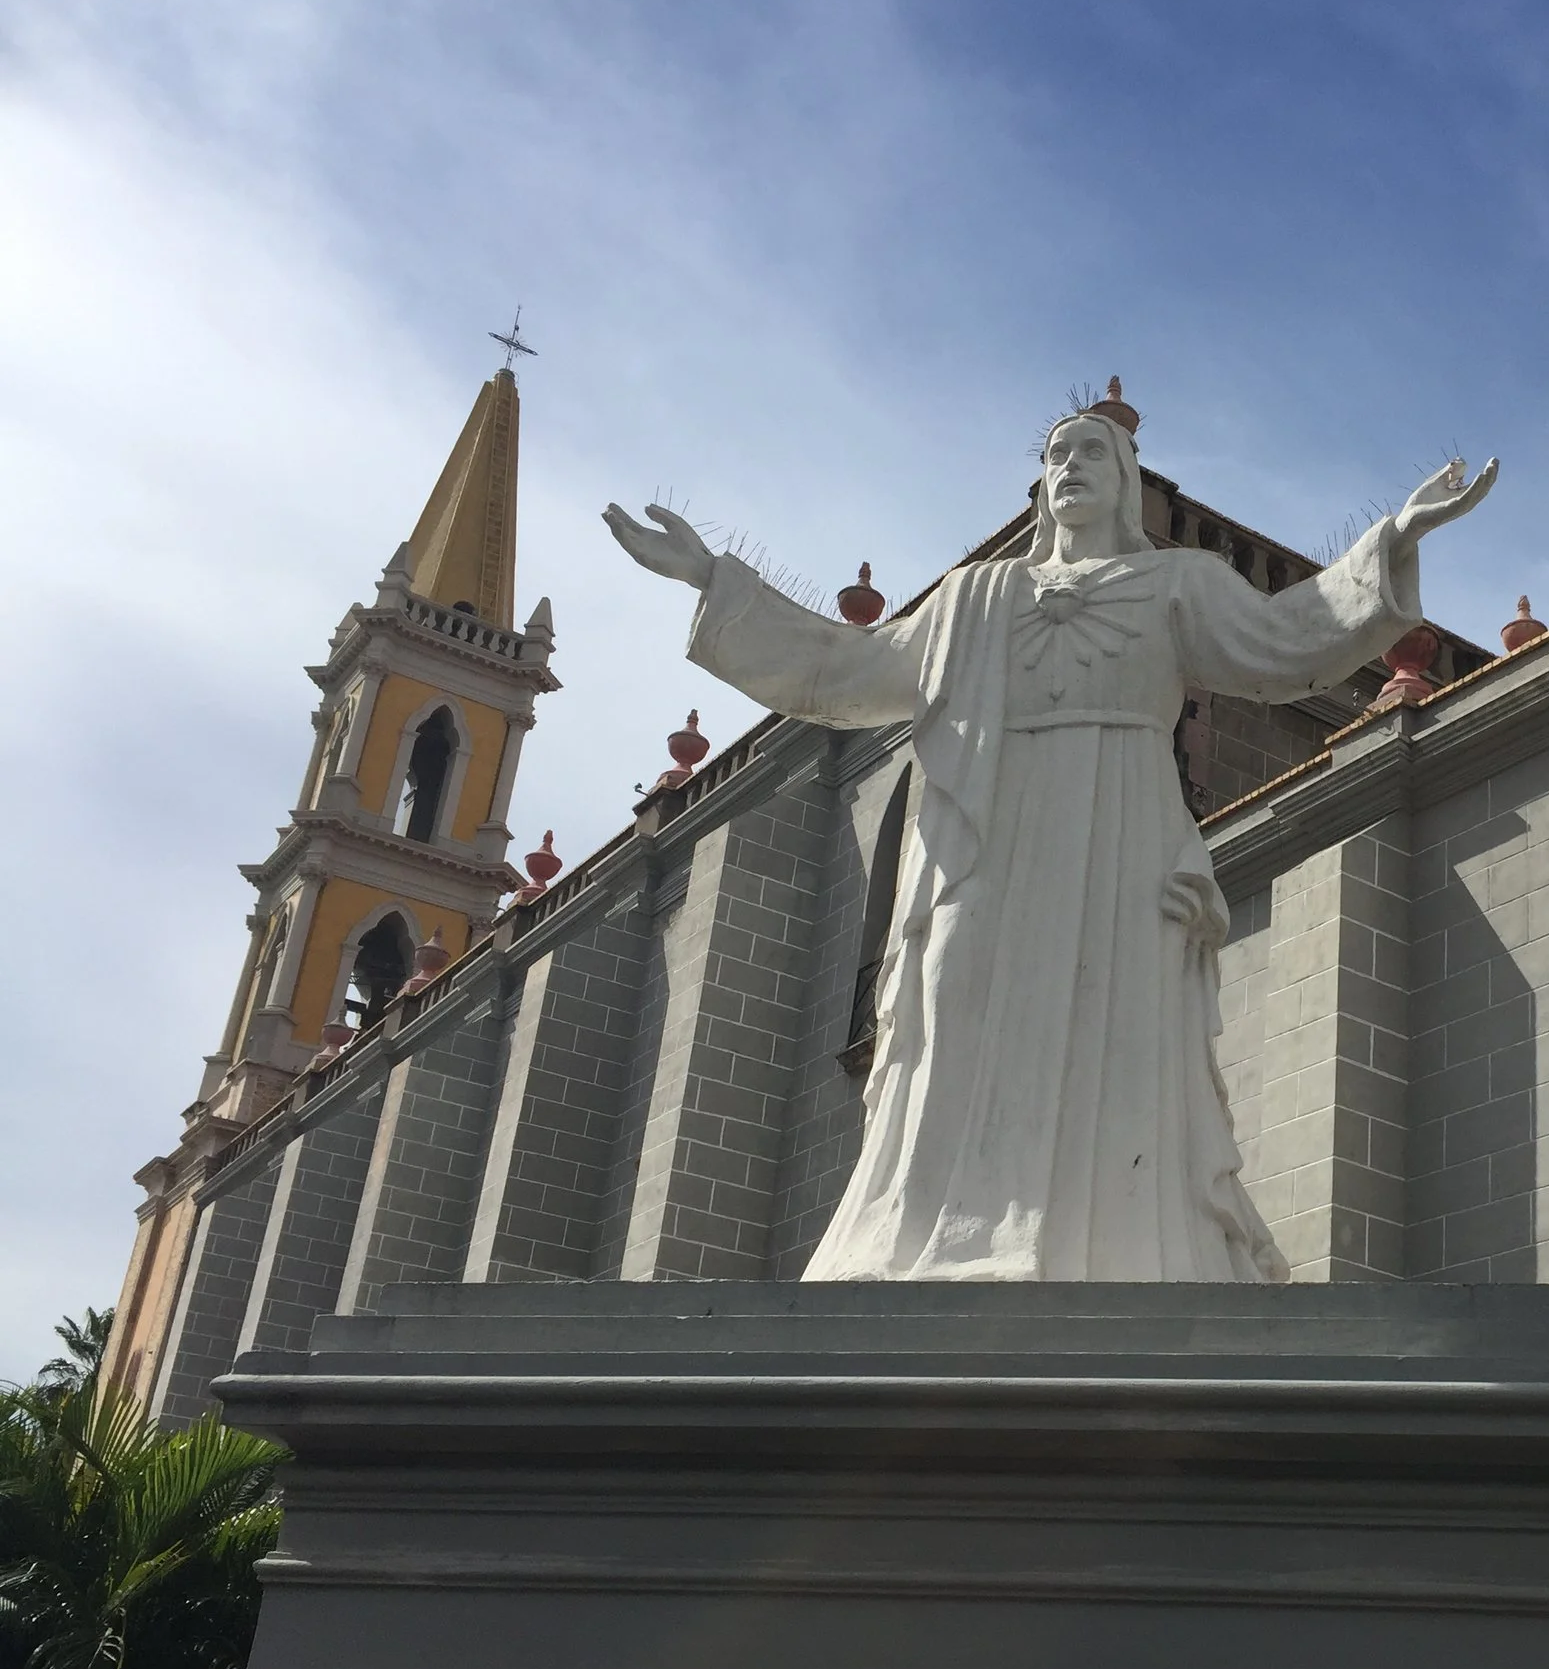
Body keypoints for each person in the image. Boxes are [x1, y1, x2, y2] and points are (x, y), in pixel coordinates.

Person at [603, 401, 1494, 1281]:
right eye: (1056, 455)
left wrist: (1393, 540)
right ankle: (930, 1237)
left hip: (1122, 837)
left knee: (1120, 1024)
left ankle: (1133, 1247)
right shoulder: (974, 599)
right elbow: (849, 670)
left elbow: (1279, 640)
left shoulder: (1174, 584)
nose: (1069, 466)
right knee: (954, 1005)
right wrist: (713, 581)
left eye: (1091, 455)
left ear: (1124, 486)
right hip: (987, 843)